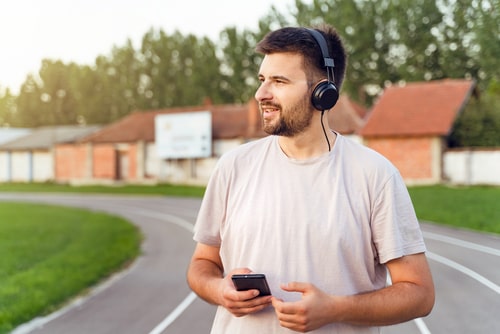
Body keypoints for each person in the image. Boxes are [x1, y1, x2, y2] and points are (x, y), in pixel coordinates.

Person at [187, 24, 434, 333]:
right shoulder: (233, 166)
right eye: (262, 80)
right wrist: (216, 290)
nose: (261, 94)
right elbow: (202, 264)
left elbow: (419, 293)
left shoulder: (375, 175)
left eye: (278, 81)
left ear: (323, 92)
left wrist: (335, 309)